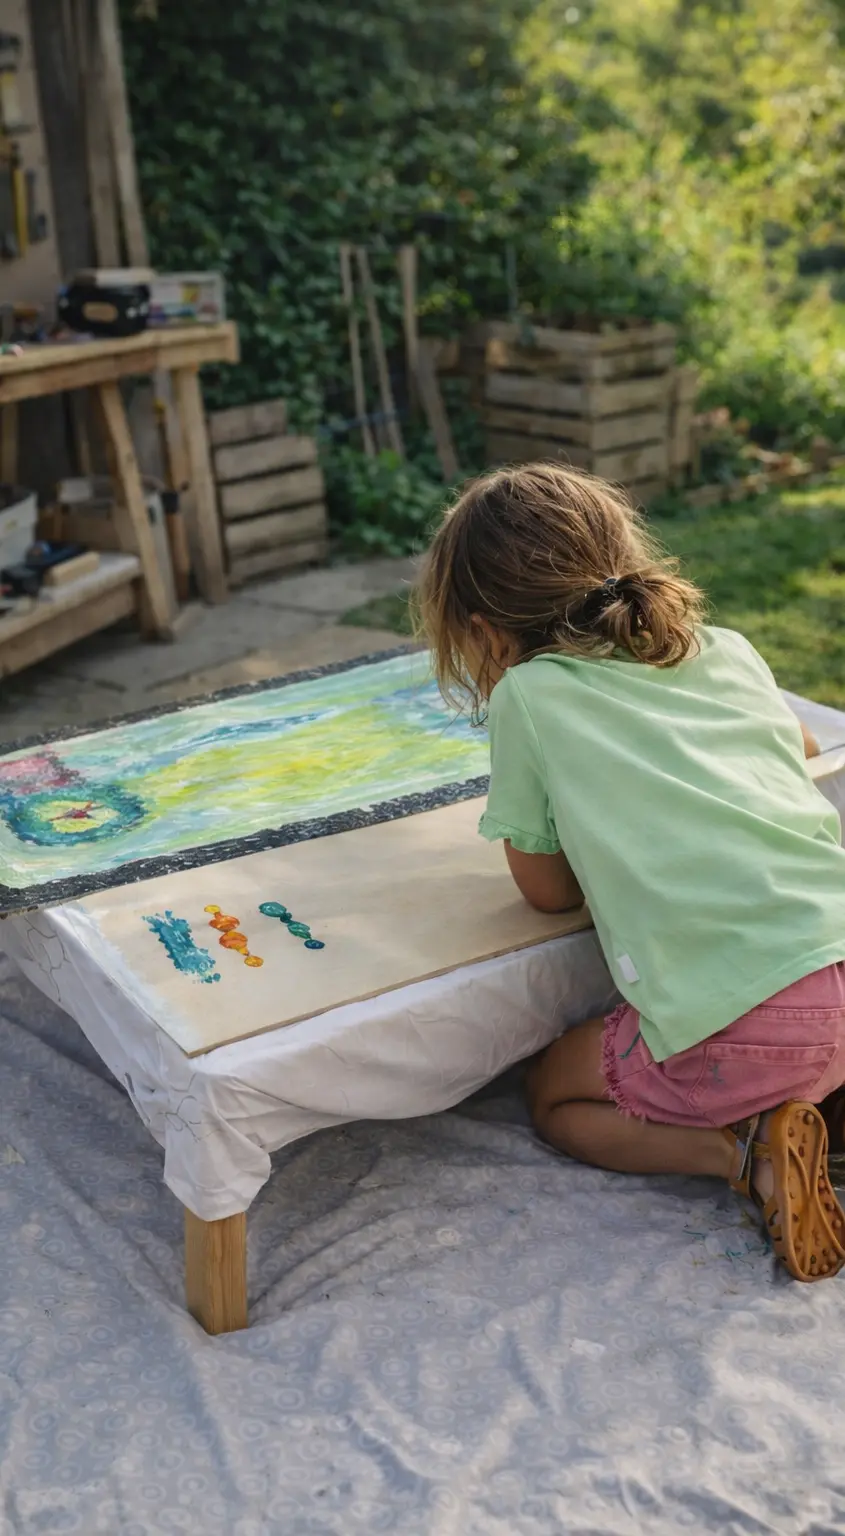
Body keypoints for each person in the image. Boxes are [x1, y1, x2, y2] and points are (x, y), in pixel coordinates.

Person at [415, 461, 845, 1283]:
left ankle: (744, 1157)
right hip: (835, 957)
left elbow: (545, 894)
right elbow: (804, 749)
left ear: (481, 631)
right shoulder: (725, 650)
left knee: (555, 1096)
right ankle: (798, 1109)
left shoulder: (529, 698)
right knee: (783, 1041)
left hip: (759, 1018)